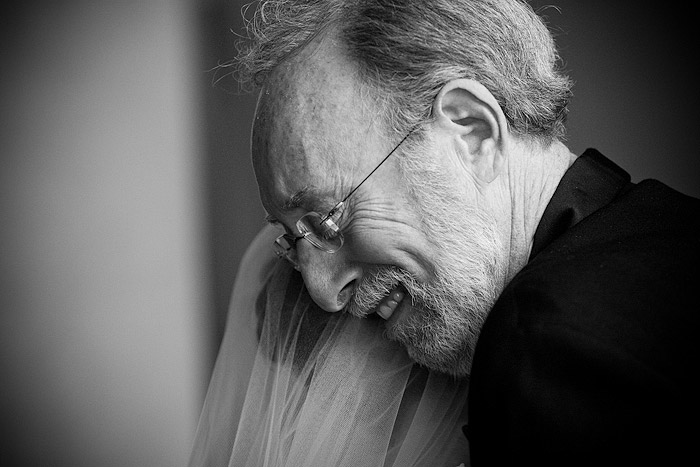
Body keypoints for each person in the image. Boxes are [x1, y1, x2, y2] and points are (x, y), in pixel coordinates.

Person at [189, 1, 700, 466]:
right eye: (293, 243)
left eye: (327, 218)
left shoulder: (550, 345)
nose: (322, 292)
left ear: (474, 132)